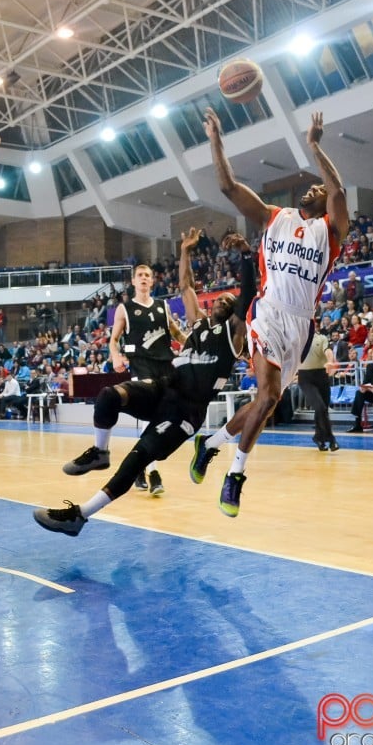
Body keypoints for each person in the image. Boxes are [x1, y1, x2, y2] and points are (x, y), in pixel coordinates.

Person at [33, 228, 255, 536]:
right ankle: (100, 452)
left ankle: (79, 515)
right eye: (219, 298)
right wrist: (185, 251)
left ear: (231, 311)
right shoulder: (199, 325)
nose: (220, 298)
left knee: (136, 460)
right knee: (109, 395)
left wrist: (245, 255)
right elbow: (186, 285)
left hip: (184, 413)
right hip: (164, 388)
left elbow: (247, 296)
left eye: (226, 299)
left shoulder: (232, 335)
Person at [190, 109, 348, 517]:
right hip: (269, 311)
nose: (315, 188)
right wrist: (216, 138)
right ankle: (235, 475)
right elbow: (227, 186)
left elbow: (339, 192)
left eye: (319, 187)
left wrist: (314, 144)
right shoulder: (274, 217)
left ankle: (210, 444)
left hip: (301, 323)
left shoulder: (330, 232)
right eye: (311, 186)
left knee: (266, 400)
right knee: (271, 394)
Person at [60, 261, 185, 496]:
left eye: (148, 275)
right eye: (140, 275)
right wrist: (116, 356)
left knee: (159, 421)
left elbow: (177, 333)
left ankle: (140, 466)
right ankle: (152, 471)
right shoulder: (124, 309)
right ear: (134, 281)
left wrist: (197, 345)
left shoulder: (163, 306)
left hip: (166, 370)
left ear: (152, 280)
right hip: (141, 367)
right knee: (149, 417)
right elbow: (114, 339)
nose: (144, 278)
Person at [297, 329, 339, 452]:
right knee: (320, 407)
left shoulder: (321, 338)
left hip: (322, 376)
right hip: (305, 378)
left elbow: (328, 350)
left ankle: (318, 437)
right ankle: (331, 439)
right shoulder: (297, 339)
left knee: (323, 409)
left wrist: (330, 362)